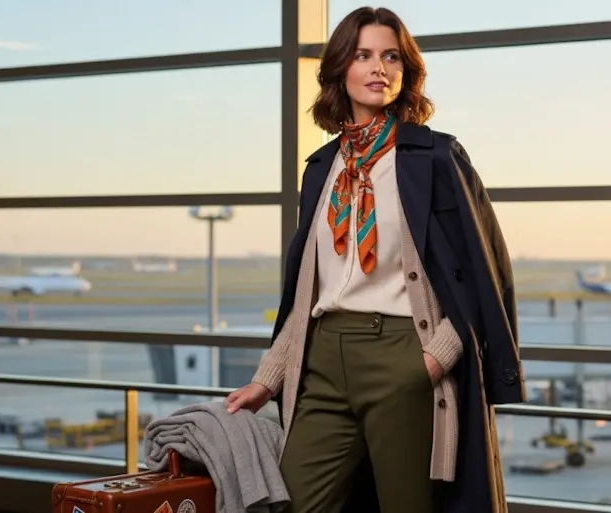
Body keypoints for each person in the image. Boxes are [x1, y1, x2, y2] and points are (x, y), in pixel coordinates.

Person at [225, 6, 525, 513]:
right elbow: (307, 291)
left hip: (402, 355)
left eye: (391, 56)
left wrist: (431, 360)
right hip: (321, 360)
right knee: (296, 503)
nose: (378, 68)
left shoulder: (435, 158)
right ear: (342, 67)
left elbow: (481, 274)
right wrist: (267, 378)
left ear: (405, 73)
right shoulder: (321, 168)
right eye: (363, 55)